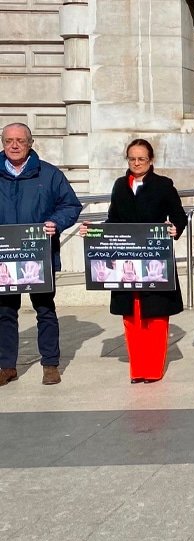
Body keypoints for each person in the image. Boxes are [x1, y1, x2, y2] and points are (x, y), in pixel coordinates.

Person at [79, 138, 187, 383]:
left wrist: (174, 228)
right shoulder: (120, 185)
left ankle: (153, 369)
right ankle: (138, 369)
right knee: (131, 315)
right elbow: (113, 221)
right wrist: (94, 232)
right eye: (132, 159)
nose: (136, 163)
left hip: (153, 258)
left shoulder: (163, 185)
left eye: (142, 159)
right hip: (126, 258)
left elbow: (179, 217)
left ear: (151, 160)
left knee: (156, 316)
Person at [0, 122, 82, 387]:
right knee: (4, 312)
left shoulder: (49, 174)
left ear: (30, 143)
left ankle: (50, 364)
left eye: (20, 141)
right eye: (8, 140)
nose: (14, 145)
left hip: (39, 255)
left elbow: (70, 205)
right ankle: (6, 366)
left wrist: (56, 223)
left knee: (45, 310)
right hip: (4, 257)